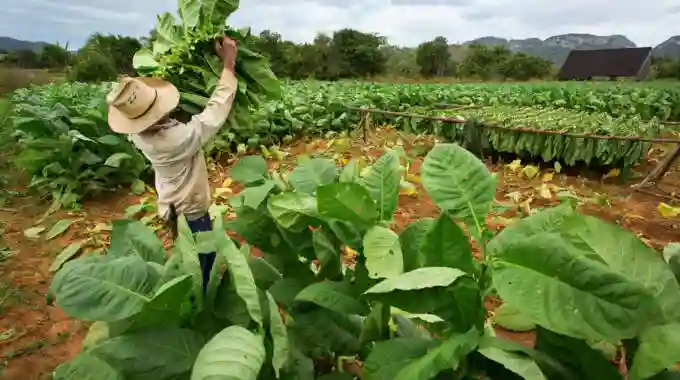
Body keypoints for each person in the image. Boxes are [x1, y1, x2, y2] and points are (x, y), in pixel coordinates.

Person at [105, 35, 238, 294]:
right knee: (202, 261)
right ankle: (201, 299)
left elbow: (165, 119)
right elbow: (215, 112)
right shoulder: (175, 139)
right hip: (190, 212)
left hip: (170, 206)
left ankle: (190, 285)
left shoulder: (138, 134)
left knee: (185, 251)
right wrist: (228, 66)